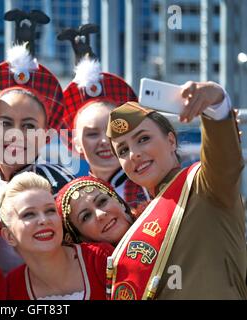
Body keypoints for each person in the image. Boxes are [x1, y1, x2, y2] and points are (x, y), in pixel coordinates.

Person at [106, 81, 247, 299]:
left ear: (171, 141)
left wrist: (216, 103)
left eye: (143, 139)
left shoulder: (204, 184)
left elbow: (225, 159)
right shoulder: (137, 219)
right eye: (123, 150)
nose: (133, 154)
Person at [0, 9, 75, 273]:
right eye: (5, 124)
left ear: (46, 134)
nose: (16, 134)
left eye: (29, 126)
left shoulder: (63, 187)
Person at [58, 23, 150, 212]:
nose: (104, 141)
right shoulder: (71, 203)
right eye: (91, 134)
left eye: (112, 129)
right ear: (75, 143)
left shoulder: (154, 187)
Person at [0, 172, 114, 300]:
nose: (44, 220)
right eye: (29, 214)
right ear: (9, 236)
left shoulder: (100, 258)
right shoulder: (10, 288)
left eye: (50, 210)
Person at [56, 176, 134, 246]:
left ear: (119, 201)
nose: (100, 214)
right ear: (80, 238)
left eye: (102, 201)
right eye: (86, 216)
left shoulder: (146, 217)